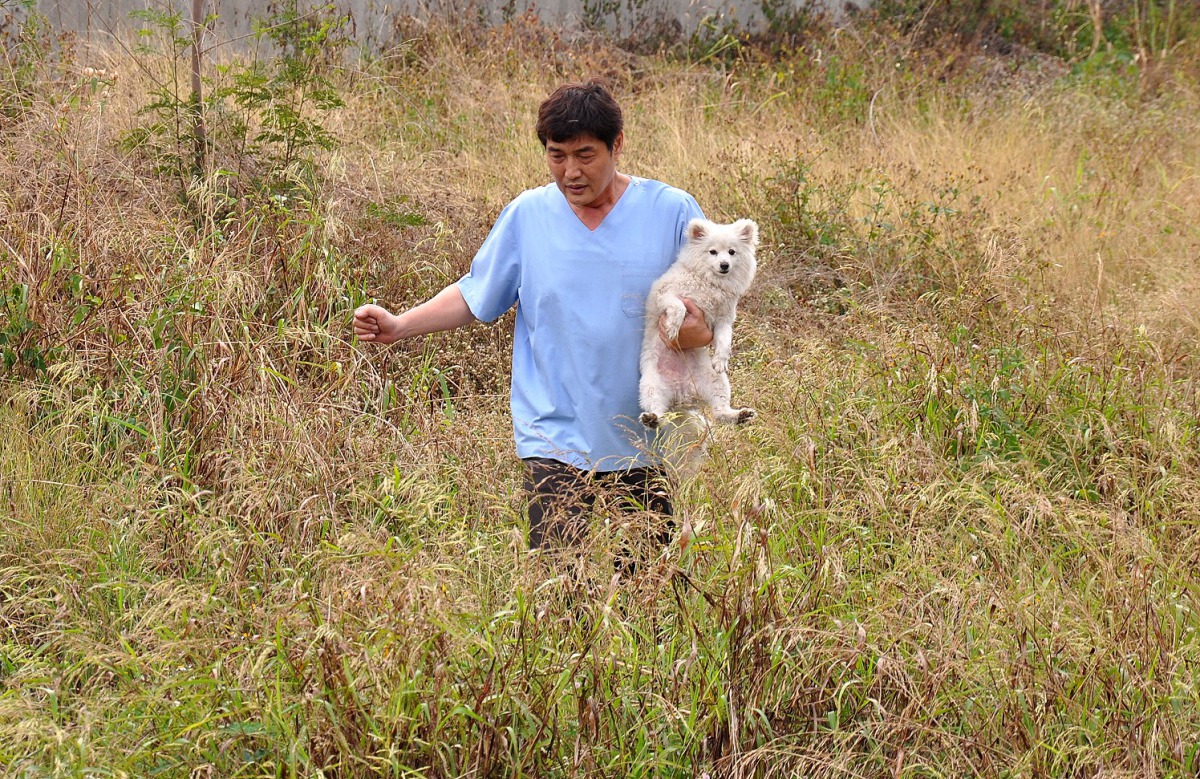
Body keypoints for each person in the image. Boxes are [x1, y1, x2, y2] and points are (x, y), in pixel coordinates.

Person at [353, 80, 711, 556]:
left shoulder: (670, 212)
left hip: (644, 437)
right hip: (554, 437)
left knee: (648, 593)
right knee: (561, 592)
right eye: (557, 155)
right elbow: (476, 293)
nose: (570, 172)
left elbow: (708, 317)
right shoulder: (528, 215)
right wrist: (400, 325)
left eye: (585, 155)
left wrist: (691, 329)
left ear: (618, 144)